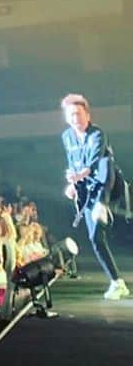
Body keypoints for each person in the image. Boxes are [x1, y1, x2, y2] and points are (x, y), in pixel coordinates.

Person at [60, 94, 129, 300]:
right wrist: (72, 185)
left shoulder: (97, 134)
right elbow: (74, 164)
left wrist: (102, 201)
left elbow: (95, 163)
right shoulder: (67, 137)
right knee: (95, 237)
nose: (75, 119)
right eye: (71, 115)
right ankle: (117, 282)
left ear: (87, 115)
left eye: (79, 114)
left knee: (105, 165)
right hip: (87, 191)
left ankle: (104, 207)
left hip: (106, 187)